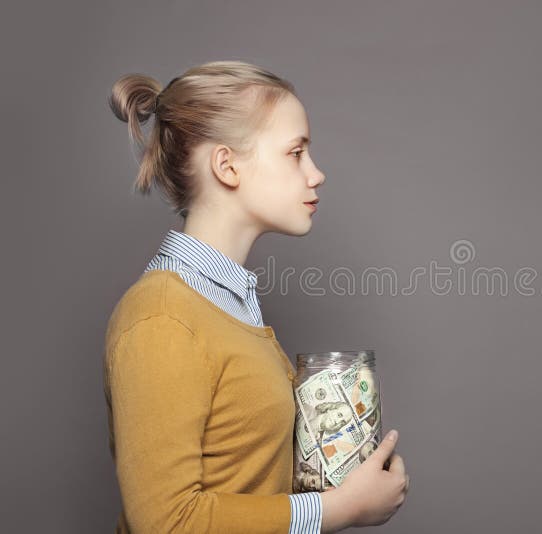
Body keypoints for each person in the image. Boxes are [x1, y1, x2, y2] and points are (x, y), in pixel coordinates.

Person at [104, 60, 409, 533]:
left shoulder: (227, 304)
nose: (317, 173)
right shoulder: (162, 318)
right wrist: (339, 510)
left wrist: (344, 468)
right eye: (295, 153)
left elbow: (243, 477)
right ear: (227, 166)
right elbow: (167, 523)